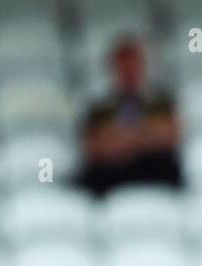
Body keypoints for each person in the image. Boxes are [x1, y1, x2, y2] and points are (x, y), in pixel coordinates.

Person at [76, 36, 183, 198]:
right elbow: (94, 148)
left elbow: (171, 136)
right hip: (115, 172)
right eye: (124, 67)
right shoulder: (99, 108)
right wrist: (144, 135)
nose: (130, 72)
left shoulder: (161, 102)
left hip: (152, 169)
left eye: (134, 65)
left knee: (167, 164)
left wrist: (124, 138)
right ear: (114, 69)